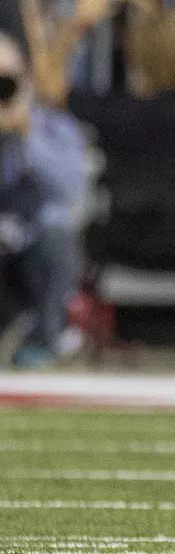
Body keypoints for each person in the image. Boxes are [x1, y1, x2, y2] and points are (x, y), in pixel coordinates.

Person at [27, 0, 175, 345]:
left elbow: (48, 89)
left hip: (124, 237)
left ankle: (67, 326)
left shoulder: (118, 111)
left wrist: (79, 22)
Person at [0, 30, 85, 370]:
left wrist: (26, 137)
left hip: (31, 244)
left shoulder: (53, 127)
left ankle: (42, 343)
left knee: (58, 238)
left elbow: (68, 190)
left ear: (26, 79)